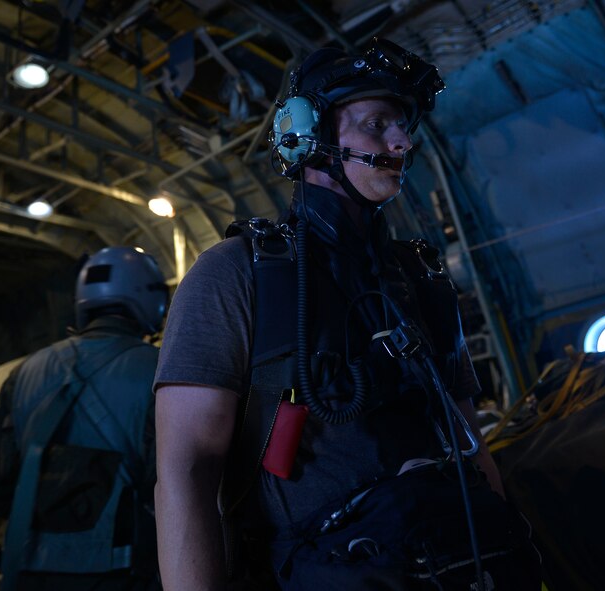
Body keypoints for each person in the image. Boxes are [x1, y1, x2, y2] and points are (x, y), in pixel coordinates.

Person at [154, 38, 541, 590]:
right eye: (378, 124)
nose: (403, 141)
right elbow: (186, 473)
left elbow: (470, 444)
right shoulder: (237, 274)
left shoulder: (422, 279)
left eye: (404, 126)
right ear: (304, 134)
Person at [0, 246, 167, 591]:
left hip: (30, 574)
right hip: (124, 576)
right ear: (152, 298)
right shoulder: (163, 372)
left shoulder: (25, 372)